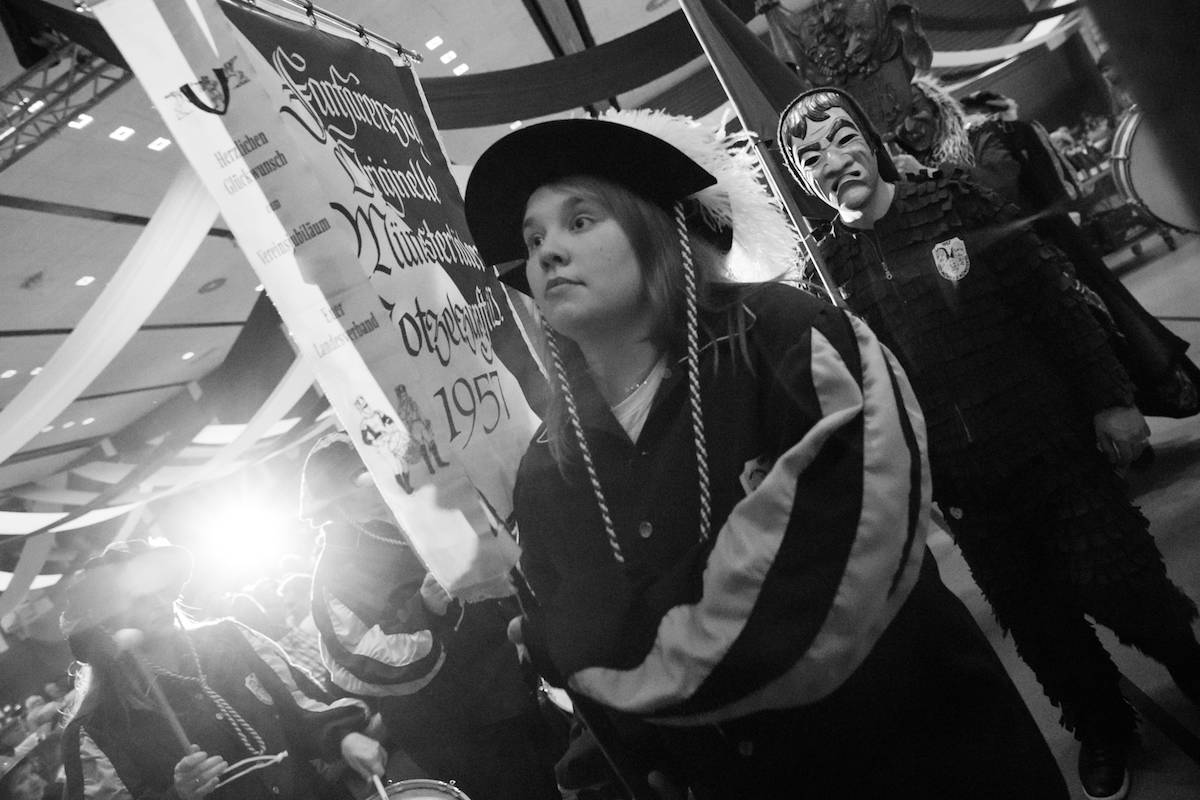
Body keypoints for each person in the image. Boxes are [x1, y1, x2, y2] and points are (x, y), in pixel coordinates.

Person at [462, 107, 1068, 799]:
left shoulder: (789, 336)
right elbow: (582, 669)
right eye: (533, 238)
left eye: (579, 220)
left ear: (657, 228)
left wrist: (593, 645)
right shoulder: (549, 467)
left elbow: (830, 580)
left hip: (922, 753)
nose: (547, 252)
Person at [779, 86, 1200, 800]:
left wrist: (1111, 398)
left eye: (842, 138)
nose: (832, 160)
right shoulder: (827, 276)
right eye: (810, 155)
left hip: (1050, 445)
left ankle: (1187, 663)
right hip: (964, 489)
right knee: (1038, 622)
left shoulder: (954, 204)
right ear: (799, 178)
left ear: (871, 142)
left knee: (1120, 579)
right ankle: (1102, 726)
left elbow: (1051, 298)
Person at [298, 432, 562, 800]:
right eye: (363, 475)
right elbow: (360, 657)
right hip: (452, 723)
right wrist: (423, 609)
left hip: (511, 681)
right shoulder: (335, 573)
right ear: (336, 499)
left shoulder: (424, 510)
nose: (380, 479)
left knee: (553, 778)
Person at [57, 539, 386, 800]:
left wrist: (343, 737)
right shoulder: (95, 730)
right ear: (107, 623)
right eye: (138, 599)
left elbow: (299, 705)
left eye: (161, 589)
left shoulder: (232, 639)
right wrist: (178, 795)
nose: (159, 602)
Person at [958, 89, 1200, 423]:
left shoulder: (996, 135)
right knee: (1105, 321)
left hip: (1052, 243)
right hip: (1053, 238)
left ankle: (1150, 395)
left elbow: (1015, 182)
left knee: (1106, 322)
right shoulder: (1015, 131)